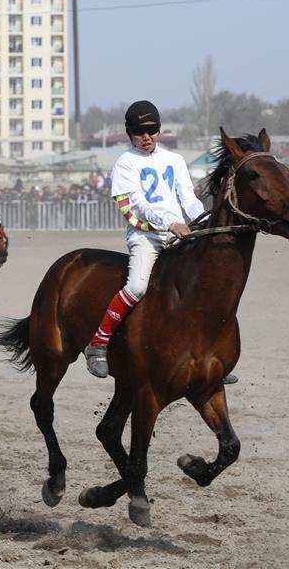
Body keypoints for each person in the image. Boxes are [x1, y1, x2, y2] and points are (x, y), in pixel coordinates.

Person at [83, 101, 204, 379]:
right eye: (139, 131)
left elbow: (188, 198)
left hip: (179, 233)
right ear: (129, 133)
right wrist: (170, 223)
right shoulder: (125, 163)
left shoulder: (175, 160)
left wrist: (204, 221)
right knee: (137, 286)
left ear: (159, 130)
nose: (146, 137)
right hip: (146, 235)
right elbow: (138, 205)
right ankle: (98, 343)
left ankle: (203, 350)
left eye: (151, 130)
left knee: (202, 283)